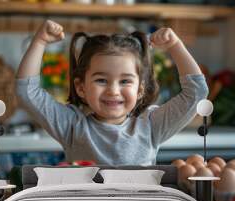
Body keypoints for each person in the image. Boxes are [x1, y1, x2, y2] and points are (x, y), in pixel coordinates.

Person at [16, 20, 208, 165]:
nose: (113, 91)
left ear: (140, 89)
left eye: (125, 81)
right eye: (101, 80)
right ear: (81, 87)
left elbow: (196, 93)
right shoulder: (72, 126)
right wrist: (39, 41)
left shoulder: (151, 125)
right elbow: (27, 92)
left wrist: (175, 46)